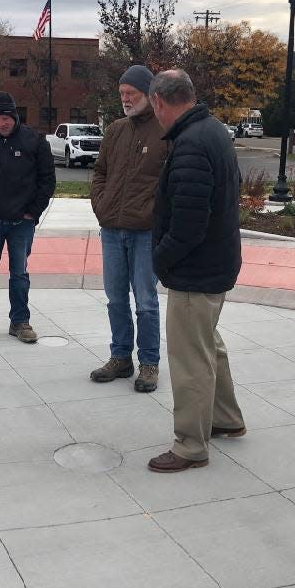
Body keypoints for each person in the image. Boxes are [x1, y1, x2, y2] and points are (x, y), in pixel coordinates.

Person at [145, 70, 245, 474]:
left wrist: (159, 259)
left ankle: (189, 444)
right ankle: (225, 418)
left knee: (190, 358)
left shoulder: (190, 143)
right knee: (208, 345)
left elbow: (188, 223)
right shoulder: (214, 131)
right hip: (216, 264)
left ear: (159, 102)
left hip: (196, 270)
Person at [89, 65, 168, 393]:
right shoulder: (116, 131)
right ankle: (120, 356)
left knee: (146, 300)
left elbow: (168, 183)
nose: (124, 99)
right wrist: (101, 205)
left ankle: (149, 362)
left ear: (149, 95)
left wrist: (153, 214)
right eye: (121, 94)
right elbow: (101, 171)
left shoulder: (165, 131)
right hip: (112, 228)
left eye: (130, 94)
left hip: (144, 232)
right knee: (115, 298)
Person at [0, 92, 56, 345]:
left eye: (6, 118)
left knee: (19, 274)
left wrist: (32, 212)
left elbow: (47, 179)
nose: (2, 123)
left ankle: (20, 322)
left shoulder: (34, 140)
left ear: (15, 117)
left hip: (21, 223)